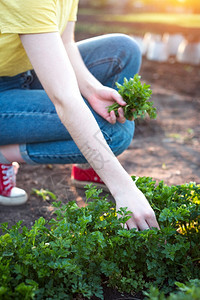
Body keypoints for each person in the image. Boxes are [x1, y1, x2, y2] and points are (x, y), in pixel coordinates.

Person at [0, 0, 159, 231]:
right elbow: (65, 99)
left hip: (22, 73)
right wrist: (123, 188)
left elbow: (65, 43)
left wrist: (92, 89)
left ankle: (88, 165)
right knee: (113, 133)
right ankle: (3, 156)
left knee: (124, 51)